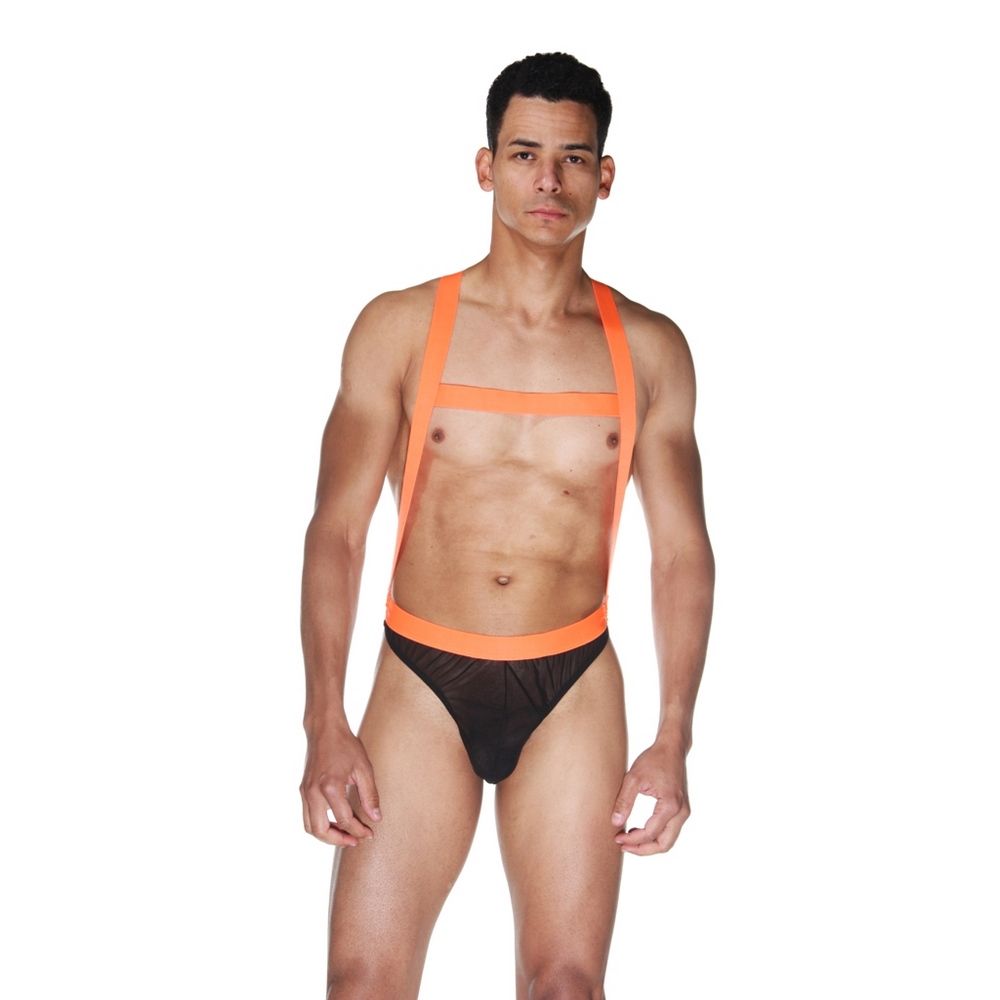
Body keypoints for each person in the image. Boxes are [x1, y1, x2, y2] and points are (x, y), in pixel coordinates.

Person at [299, 52, 715, 1000]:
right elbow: (337, 533)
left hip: (571, 685)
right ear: (486, 167)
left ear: (606, 176)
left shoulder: (651, 348)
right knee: (364, 982)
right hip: (421, 679)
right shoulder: (400, 326)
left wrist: (674, 737)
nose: (549, 181)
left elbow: (682, 554)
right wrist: (324, 719)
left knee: (565, 985)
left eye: (574, 159)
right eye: (526, 155)